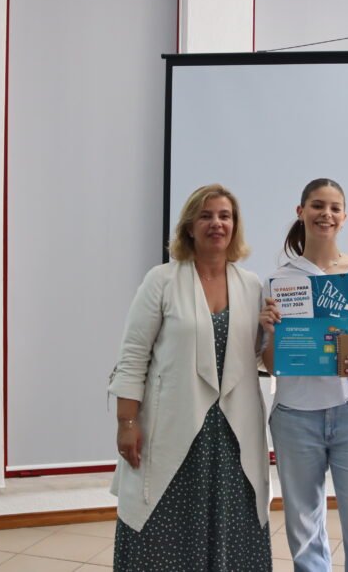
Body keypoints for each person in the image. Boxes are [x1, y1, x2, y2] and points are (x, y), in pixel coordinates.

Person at [108, 184, 272, 572]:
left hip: (232, 438)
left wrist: (273, 331)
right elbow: (133, 356)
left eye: (225, 216)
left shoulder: (251, 285)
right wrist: (126, 422)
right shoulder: (161, 280)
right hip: (174, 428)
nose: (217, 223)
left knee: (233, 531)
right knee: (162, 532)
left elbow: (262, 361)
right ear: (189, 227)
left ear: (235, 225)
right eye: (206, 216)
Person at [259, 178, 348, 572]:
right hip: (294, 416)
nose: (326, 214)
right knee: (304, 531)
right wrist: (270, 330)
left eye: (335, 208)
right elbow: (271, 363)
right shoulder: (279, 281)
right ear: (301, 212)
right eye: (318, 205)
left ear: (344, 217)